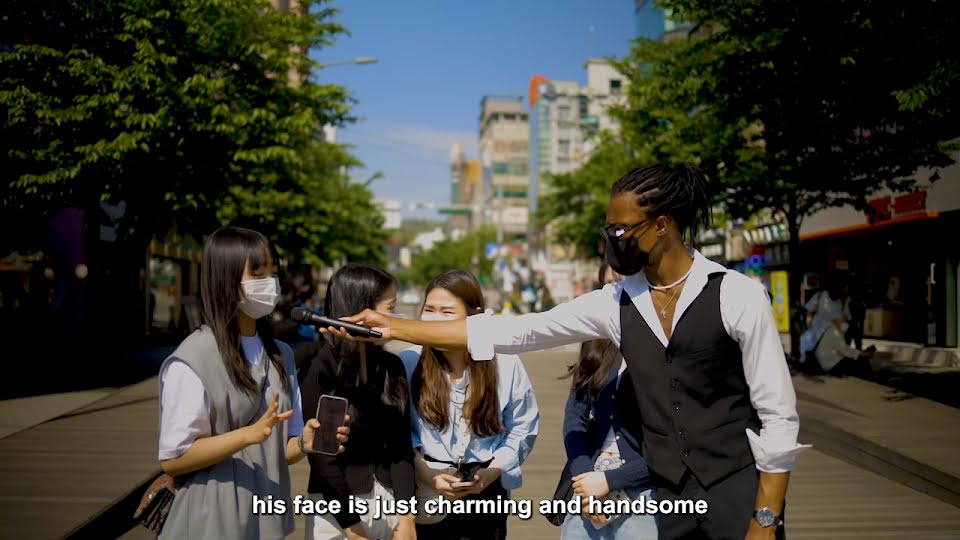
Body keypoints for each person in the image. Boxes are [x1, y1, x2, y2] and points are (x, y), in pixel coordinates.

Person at [328, 164, 809, 540]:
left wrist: (765, 518)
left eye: (621, 230)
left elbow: (779, 417)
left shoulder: (737, 295)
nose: (611, 240)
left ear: (662, 225)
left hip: (737, 486)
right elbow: (521, 331)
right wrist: (395, 326)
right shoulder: (617, 301)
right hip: (668, 497)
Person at [157, 226, 349, 539]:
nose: (270, 283)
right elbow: (174, 458)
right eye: (257, 273)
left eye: (273, 272)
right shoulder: (193, 358)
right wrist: (248, 435)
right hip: (211, 521)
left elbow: (280, 451)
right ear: (226, 278)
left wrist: (305, 443)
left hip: (266, 520)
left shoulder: (281, 355)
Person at [400, 270, 540, 540]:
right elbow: (397, 430)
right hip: (426, 484)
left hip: (485, 483)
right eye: (428, 310)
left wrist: (494, 471)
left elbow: (524, 425)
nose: (434, 320)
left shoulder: (505, 361)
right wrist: (425, 472)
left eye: (446, 312)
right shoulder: (409, 360)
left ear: (475, 315)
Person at [299, 263, 416, 540]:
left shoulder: (392, 365)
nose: (394, 317)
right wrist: (354, 529)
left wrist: (407, 517)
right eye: (390, 308)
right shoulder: (321, 367)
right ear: (362, 309)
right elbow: (322, 457)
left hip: (389, 506)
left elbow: (401, 447)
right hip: (335, 512)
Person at [560, 261, 658, 539]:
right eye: (608, 286)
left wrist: (610, 481)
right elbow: (574, 419)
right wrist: (585, 479)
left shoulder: (665, 345)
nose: (614, 294)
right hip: (588, 482)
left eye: (622, 285)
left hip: (642, 487)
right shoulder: (595, 340)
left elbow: (674, 442)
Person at [799, 274, 851, 362]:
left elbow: (845, 319)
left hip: (834, 339)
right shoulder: (819, 296)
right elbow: (810, 312)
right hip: (817, 337)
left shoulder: (844, 300)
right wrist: (809, 326)